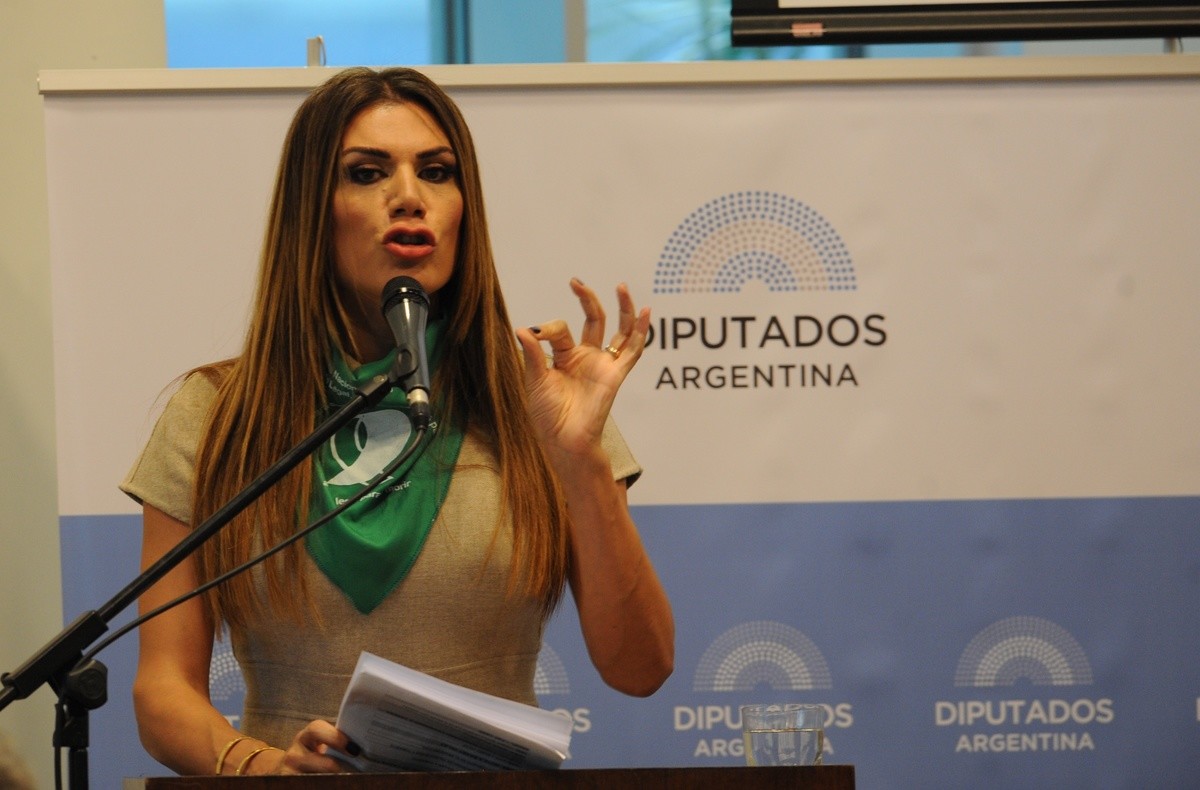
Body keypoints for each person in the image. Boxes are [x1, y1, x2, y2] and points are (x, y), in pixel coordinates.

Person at [120, 66, 673, 776]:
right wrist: (265, 770)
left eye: (437, 172)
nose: (410, 196)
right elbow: (162, 690)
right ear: (311, 210)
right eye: (367, 172)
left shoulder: (537, 396)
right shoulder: (218, 413)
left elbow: (641, 667)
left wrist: (581, 459)